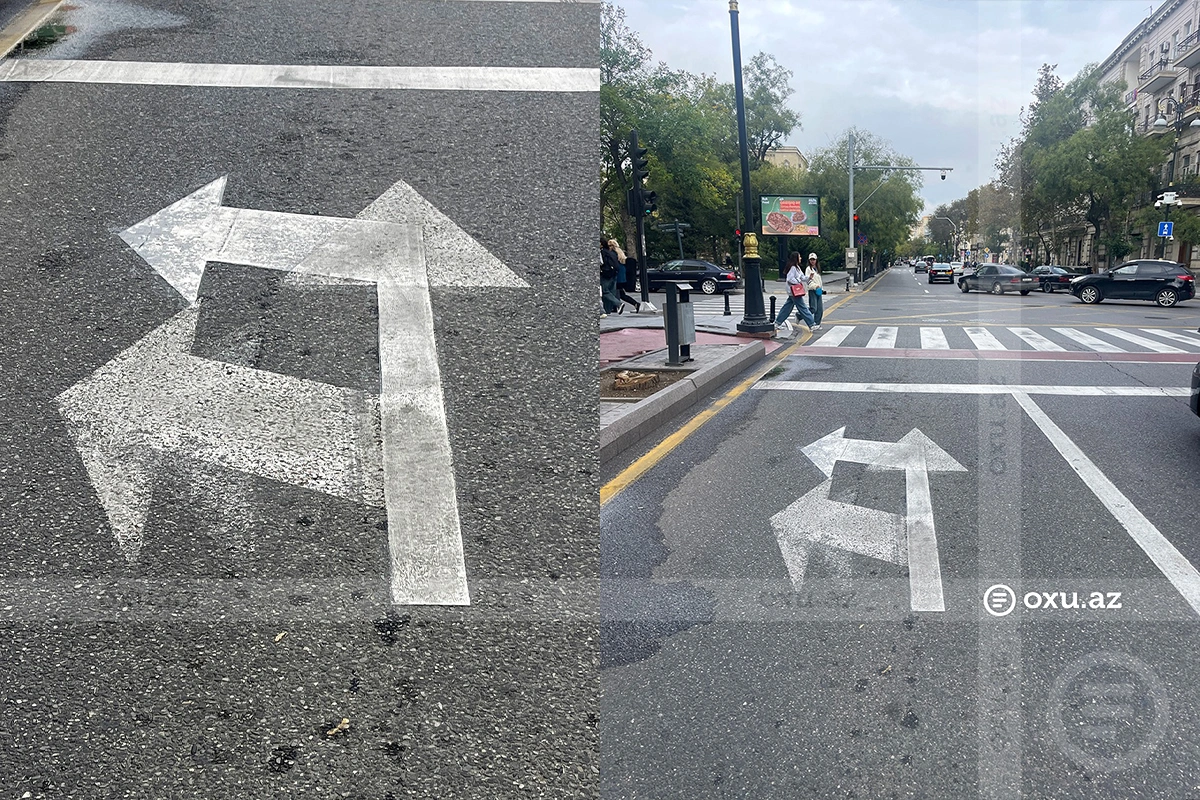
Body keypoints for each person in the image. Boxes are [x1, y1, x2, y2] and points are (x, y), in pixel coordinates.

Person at [774, 251, 816, 333]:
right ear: (796, 258)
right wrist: (798, 281)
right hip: (794, 291)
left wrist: (808, 278)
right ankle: (811, 324)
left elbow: (802, 277)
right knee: (803, 308)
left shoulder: (797, 267)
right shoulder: (793, 268)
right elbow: (790, 279)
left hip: (793, 292)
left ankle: (777, 323)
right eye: (799, 257)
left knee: (787, 308)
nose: (800, 258)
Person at [609, 239, 641, 313]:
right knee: (621, 293)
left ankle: (617, 306)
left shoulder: (613, 253)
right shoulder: (620, 252)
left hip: (617, 276)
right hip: (622, 276)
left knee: (613, 292)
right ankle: (635, 304)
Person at [600, 238, 621, 317]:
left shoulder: (602, 252)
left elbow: (601, 262)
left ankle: (618, 303)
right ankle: (607, 310)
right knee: (611, 291)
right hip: (613, 273)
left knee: (605, 291)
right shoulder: (612, 253)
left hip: (605, 273)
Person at [804, 252, 824, 327]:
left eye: (814, 259)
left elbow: (819, 280)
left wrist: (821, 288)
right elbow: (808, 280)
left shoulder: (817, 269)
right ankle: (800, 315)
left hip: (818, 290)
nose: (812, 261)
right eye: (811, 260)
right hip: (812, 290)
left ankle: (817, 323)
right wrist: (815, 286)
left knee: (820, 309)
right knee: (813, 308)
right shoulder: (808, 269)